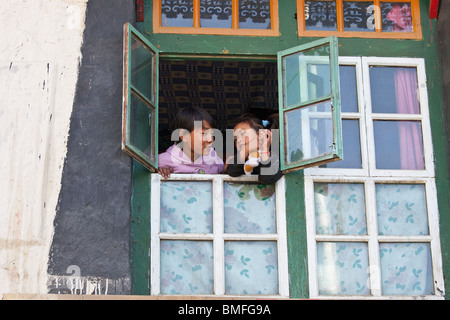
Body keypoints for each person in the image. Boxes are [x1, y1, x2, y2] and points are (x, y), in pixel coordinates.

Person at [157, 107, 224, 178]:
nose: (211, 139)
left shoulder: (213, 159)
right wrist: (159, 171)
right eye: (204, 133)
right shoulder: (163, 161)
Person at [225, 112, 282, 184]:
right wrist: (246, 149)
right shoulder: (242, 160)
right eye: (235, 139)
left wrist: (264, 150)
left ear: (259, 134)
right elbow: (232, 171)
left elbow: (267, 179)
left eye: (242, 134)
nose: (239, 140)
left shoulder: (274, 157)